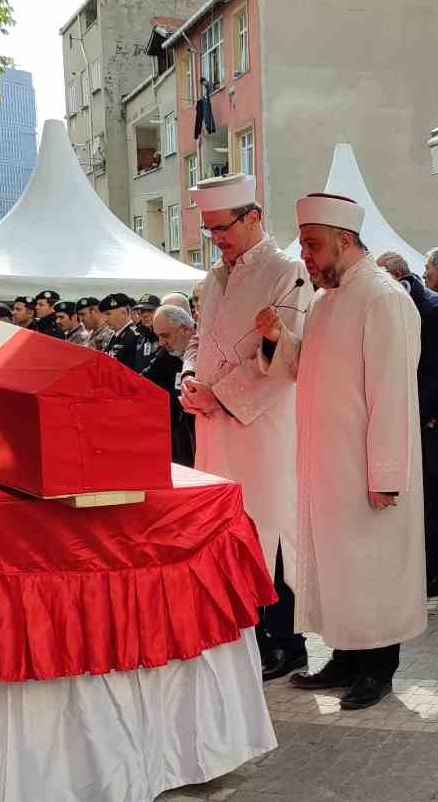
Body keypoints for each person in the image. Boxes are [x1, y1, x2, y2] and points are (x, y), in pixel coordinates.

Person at [257, 192, 425, 711]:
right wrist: (277, 337)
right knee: (336, 567)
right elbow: (302, 368)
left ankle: (378, 669)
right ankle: (346, 657)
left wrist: (387, 472)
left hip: (364, 465)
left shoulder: (383, 297)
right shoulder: (326, 299)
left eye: (312, 245)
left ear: (345, 241)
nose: (304, 256)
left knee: (370, 565)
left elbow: (393, 391)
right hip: (325, 463)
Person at [179, 173, 313, 683]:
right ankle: (242, 636)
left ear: (253, 217)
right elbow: (198, 341)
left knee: (270, 530)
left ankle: (287, 641)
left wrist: (221, 395)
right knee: (226, 530)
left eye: (222, 228)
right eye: (210, 231)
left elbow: (283, 358)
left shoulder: (287, 271)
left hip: (263, 426)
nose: (217, 239)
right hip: (214, 425)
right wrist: (189, 377)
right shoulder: (213, 280)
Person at [379, 251, 438, 595]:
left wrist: (421, 415)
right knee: (422, 500)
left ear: (397, 278)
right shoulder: (397, 304)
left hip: (435, 422)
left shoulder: (437, 311)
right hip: (410, 418)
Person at [144, 304, 197, 467]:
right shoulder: (165, 355)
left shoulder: (209, 349)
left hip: (206, 435)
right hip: (179, 439)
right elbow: (143, 380)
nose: (161, 343)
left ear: (185, 329)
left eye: (165, 336)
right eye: (158, 336)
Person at [98, 293, 152, 371]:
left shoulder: (134, 336)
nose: (105, 319)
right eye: (104, 315)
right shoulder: (115, 336)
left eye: (108, 314)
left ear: (124, 313)